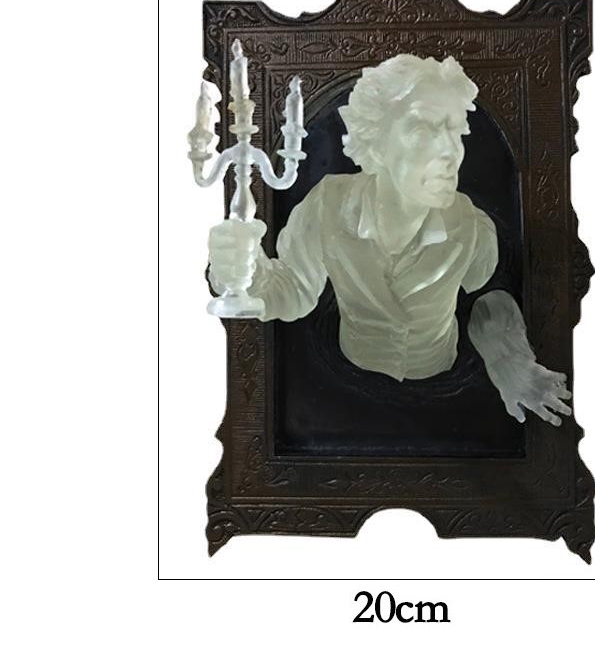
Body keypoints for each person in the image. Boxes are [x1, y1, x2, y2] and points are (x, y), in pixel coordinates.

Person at [208, 54, 572, 425]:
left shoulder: (471, 227)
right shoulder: (328, 206)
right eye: (424, 130)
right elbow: (292, 291)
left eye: (456, 131)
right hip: (344, 392)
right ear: (376, 141)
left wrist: (509, 358)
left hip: (445, 394)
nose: (450, 151)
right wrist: (241, 270)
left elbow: (491, 297)